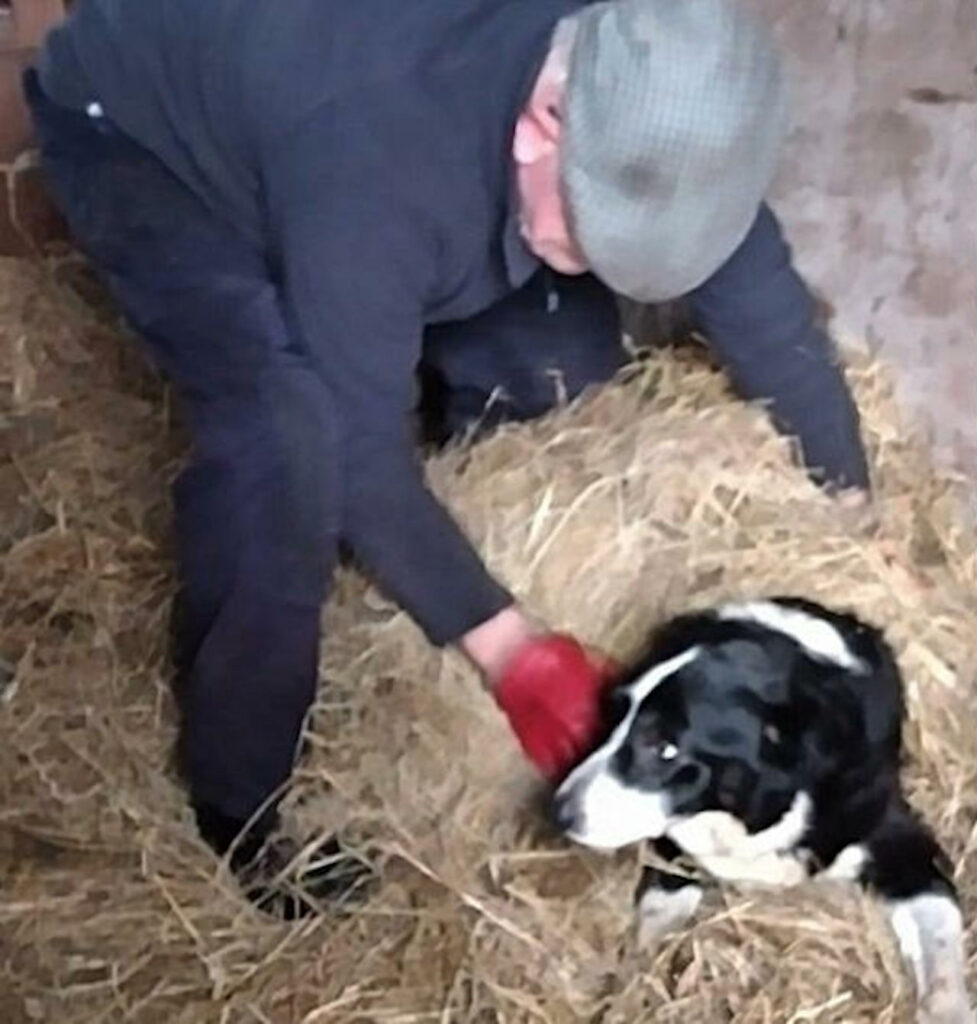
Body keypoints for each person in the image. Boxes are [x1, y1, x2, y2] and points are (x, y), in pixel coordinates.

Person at [26, 0, 869, 915]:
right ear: (543, 124)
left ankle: (435, 505)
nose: (602, 258)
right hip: (145, 136)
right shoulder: (376, 164)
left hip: (352, 118)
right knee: (286, 442)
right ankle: (242, 805)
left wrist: (852, 514)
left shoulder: (654, 95)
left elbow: (765, 309)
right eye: (598, 227)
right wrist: (510, 649)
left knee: (557, 365)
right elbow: (355, 448)